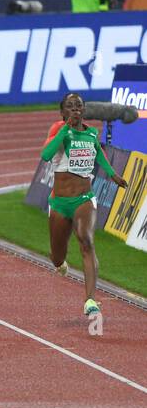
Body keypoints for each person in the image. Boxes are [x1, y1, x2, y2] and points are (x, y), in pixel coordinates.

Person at [40, 92, 127, 318]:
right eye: (70, 106)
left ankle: (90, 300)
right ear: (62, 112)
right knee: (57, 256)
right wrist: (65, 131)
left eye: (78, 106)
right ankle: (60, 263)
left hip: (84, 198)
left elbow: (98, 153)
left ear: (84, 110)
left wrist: (113, 174)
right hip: (60, 202)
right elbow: (46, 155)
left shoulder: (91, 132)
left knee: (86, 241)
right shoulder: (57, 130)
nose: (75, 109)